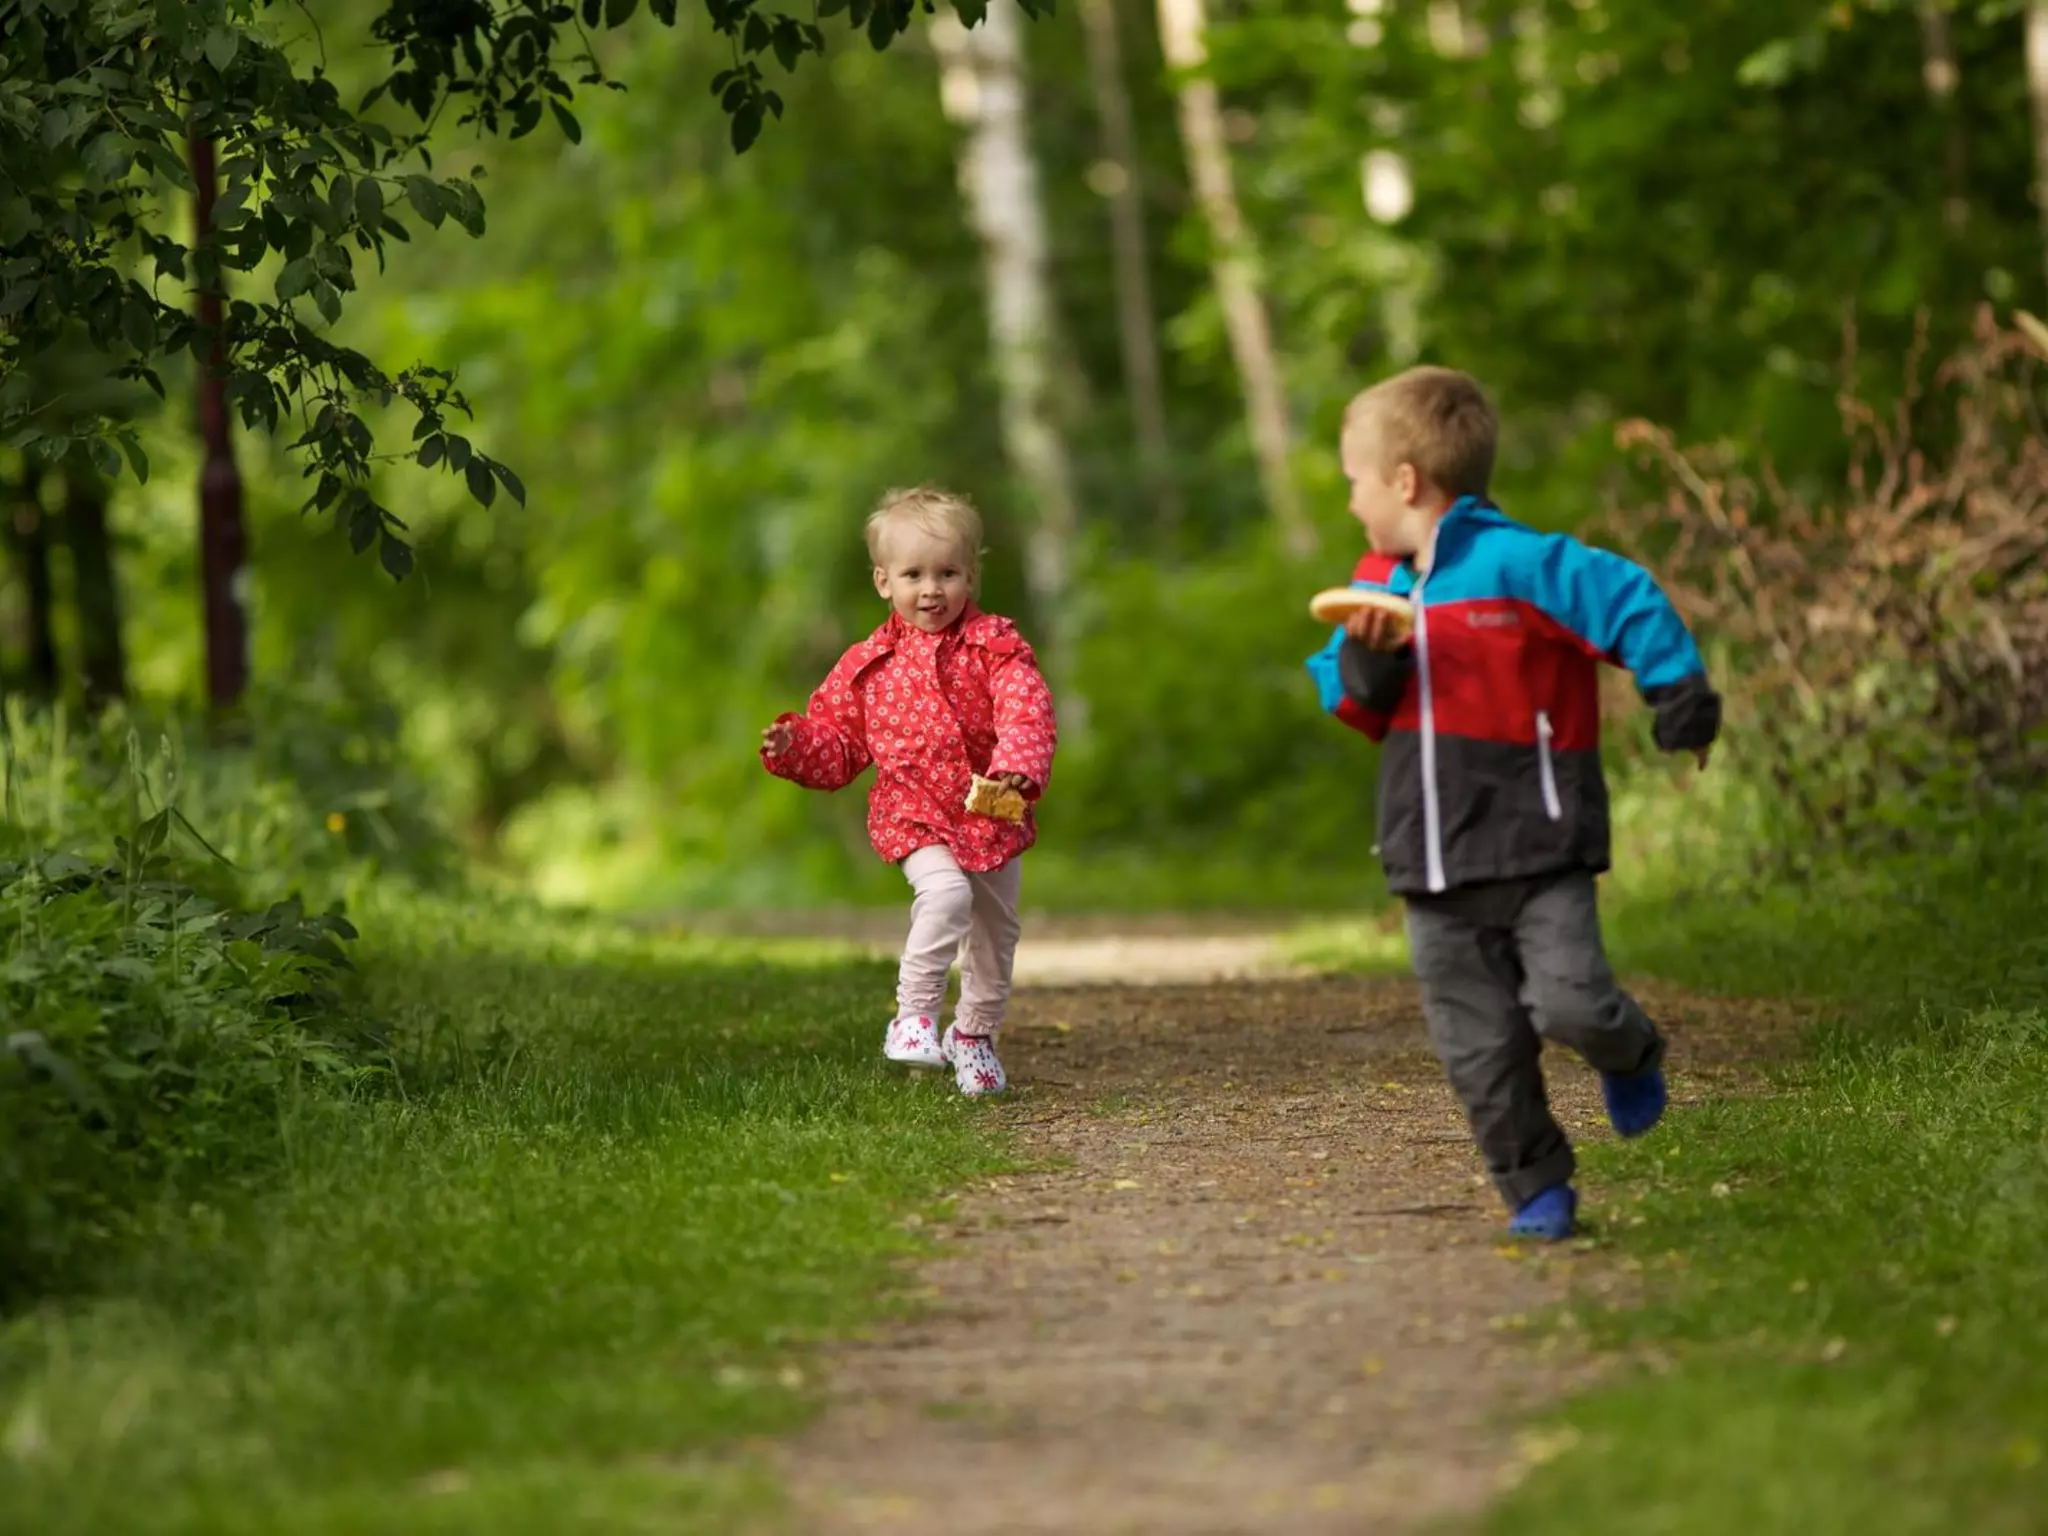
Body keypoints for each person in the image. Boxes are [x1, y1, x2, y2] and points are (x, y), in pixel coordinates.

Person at [1306, 366, 1721, 1240]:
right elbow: (1348, 702)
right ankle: (1535, 1186)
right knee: (1479, 1051)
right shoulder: (1374, 587)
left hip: (1539, 849)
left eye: (1355, 482)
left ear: (1406, 481)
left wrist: (1679, 692)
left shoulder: (1520, 564)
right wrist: (1369, 659)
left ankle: (1630, 1047)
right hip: (1433, 867)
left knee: (1570, 1002)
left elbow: (1629, 599)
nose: (1352, 504)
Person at [762, 486, 1056, 1097]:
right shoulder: (869, 665)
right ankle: (915, 1018)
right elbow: (841, 744)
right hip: (915, 811)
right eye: (913, 574)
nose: (931, 589)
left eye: (947, 573)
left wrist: (1017, 765)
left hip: (990, 807)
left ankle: (974, 1035)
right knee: (946, 895)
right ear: (882, 582)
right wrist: (797, 746)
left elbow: (1026, 712)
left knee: (996, 934)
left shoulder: (995, 649)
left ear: (971, 576)